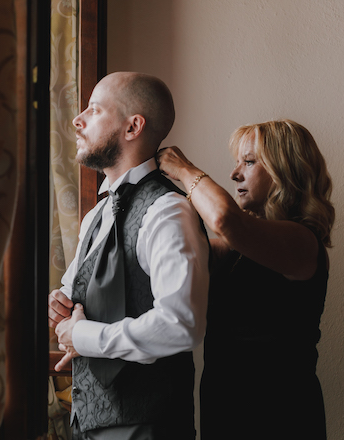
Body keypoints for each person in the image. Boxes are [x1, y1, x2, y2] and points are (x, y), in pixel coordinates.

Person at [48, 71, 210, 440]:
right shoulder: (96, 216)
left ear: (133, 126)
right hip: (87, 424)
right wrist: (59, 306)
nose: (78, 119)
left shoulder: (168, 211)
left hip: (148, 427)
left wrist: (84, 336)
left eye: (94, 109)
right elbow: (72, 297)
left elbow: (181, 323)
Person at [156, 119, 335, 440]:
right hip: (225, 411)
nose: (235, 174)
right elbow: (173, 258)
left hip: (281, 417)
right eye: (238, 162)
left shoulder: (303, 242)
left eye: (249, 162)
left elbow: (224, 219)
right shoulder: (233, 250)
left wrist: (184, 169)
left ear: (286, 171)